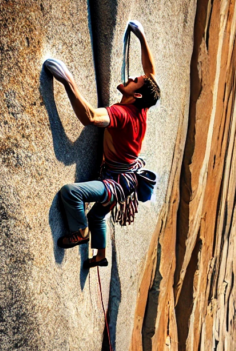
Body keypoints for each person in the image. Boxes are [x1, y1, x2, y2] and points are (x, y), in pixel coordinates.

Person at [45, 21, 160, 268]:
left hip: (115, 181)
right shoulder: (142, 107)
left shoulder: (121, 114)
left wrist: (67, 81)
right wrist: (141, 36)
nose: (130, 77)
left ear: (136, 95)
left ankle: (80, 232)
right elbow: (150, 72)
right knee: (98, 215)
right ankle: (99, 257)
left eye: (134, 81)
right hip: (125, 177)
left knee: (71, 193)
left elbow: (89, 117)